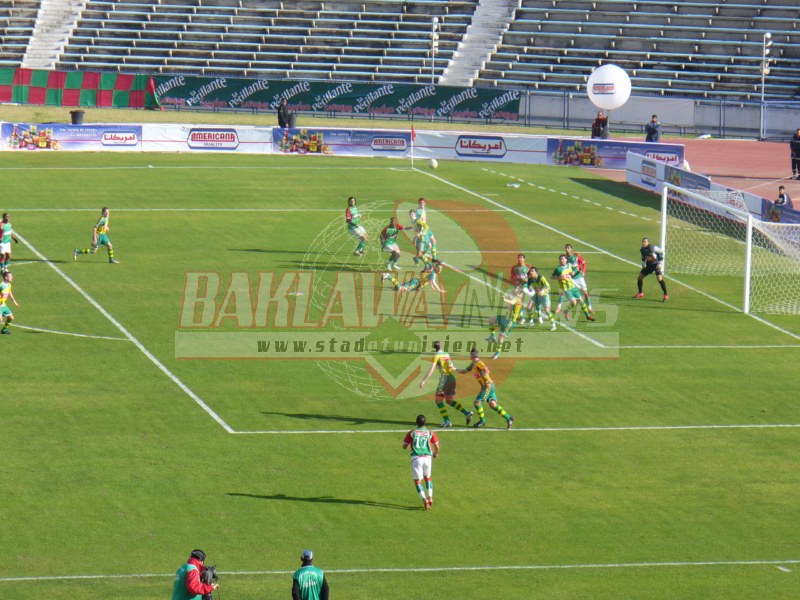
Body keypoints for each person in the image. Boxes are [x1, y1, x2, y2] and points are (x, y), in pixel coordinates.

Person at [419, 340, 474, 428]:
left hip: (444, 379)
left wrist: (423, 380)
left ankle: (447, 421)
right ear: (442, 347)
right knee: (449, 400)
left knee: (438, 401)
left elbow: (431, 369)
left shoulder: (436, 356)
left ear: (434, 348)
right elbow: (451, 367)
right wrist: (462, 371)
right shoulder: (446, 355)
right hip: (451, 378)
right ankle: (466, 413)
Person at [458, 349, 513, 429]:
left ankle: (482, 421)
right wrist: (453, 368)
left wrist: (484, 374)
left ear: (472, 356)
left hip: (488, 386)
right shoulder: (473, 365)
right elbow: (464, 371)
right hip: (490, 386)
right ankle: (509, 418)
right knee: (493, 405)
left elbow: (487, 370)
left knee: (477, 403)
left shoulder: (479, 363)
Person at [402, 414, 439, 509]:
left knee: (417, 481)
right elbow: (437, 447)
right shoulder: (430, 433)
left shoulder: (412, 432)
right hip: (427, 458)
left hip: (416, 458)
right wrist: (435, 453)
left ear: (416, 423)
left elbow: (404, 446)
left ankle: (425, 501)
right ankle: (430, 497)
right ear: (425, 422)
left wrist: (410, 443)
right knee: (428, 478)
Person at [551, 254, 595, 323]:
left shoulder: (569, 265)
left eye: (563, 259)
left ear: (566, 260)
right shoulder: (558, 269)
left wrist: (574, 272)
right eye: (560, 259)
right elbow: (552, 277)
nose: (561, 260)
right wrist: (560, 278)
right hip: (566, 289)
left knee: (581, 300)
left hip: (573, 286)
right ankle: (565, 311)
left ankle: (588, 316)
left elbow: (576, 268)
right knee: (574, 302)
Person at [486, 290, 523, 359]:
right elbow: (510, 305)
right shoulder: (517, 300)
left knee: (501, 336)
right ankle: (492, 336)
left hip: (510, 321)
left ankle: (497, 353)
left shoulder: (518, 300)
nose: (515, 291)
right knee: (491, 320)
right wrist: (507, 298)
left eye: (517, 291)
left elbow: (511, 302)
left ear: (519, 294)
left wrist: (505, 299)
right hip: (505, 317)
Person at [522, 266, 556, 331]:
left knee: (547, 310)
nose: (531, 272)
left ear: (536, 272)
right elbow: (529, 288)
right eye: (530, 271)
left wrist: (542, 291)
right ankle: (531, 322)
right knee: (529, 307)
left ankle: (553, 325)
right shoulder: (530, 279)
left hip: (544, 295)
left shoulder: (541, 278)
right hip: (537, 295)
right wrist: (530, 289)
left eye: (532, 271)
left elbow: (548, 286)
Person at [564, 243, 594, 316]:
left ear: (571, 249)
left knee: (586, 293)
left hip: (579, 277)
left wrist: (583, 272)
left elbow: (584, 264)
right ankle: (566, 311)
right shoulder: (564, 258)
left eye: (568, 248)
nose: (567, 249)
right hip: (571, 279)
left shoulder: (576, 256)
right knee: (575, 297)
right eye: (566, 248)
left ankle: (589, 308)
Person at [635, 237, 668, 301]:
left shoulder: (653, 247)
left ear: (648, 242)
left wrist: (660, 263)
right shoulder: (642, 249)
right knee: (640, 277)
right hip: (649, 265)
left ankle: (665, 295)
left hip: (656, 264)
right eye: (642, 241)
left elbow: (661, 252)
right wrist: (643, 263)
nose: (643, 243)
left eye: (644, 241)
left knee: (659, 278)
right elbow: (643, 257)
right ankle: (640, 293)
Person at [410, 198, 437, 263]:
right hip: (423, 229)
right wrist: (420, 231)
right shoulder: (419, 211)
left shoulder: (423, 210)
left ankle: (434, 258)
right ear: (418, 203)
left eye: (423, 203)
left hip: (426, 229)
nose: (422, 204)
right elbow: (417, 220)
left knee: (433, 241)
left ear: (425, 203)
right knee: (427, 246)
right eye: (420, 203)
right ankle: (423, 260)